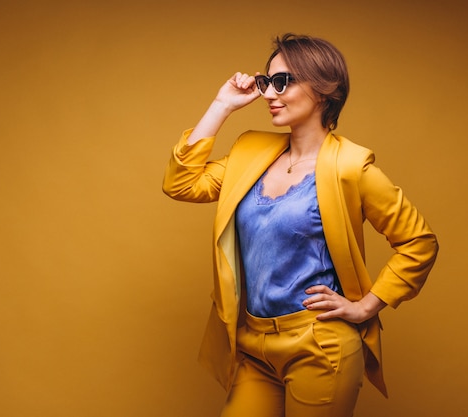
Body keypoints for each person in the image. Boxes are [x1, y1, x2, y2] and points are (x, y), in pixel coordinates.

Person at [162, 33, 438, 417]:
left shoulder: (351, 168)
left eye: (283, 81)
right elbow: (181, 183)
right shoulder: (250, 151)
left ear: (324, 91)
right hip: (251, 345)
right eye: (267, 82)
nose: (270, 94)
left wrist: (365, 308)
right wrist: (222, 105)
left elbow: (419, 242)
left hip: (319, 345)